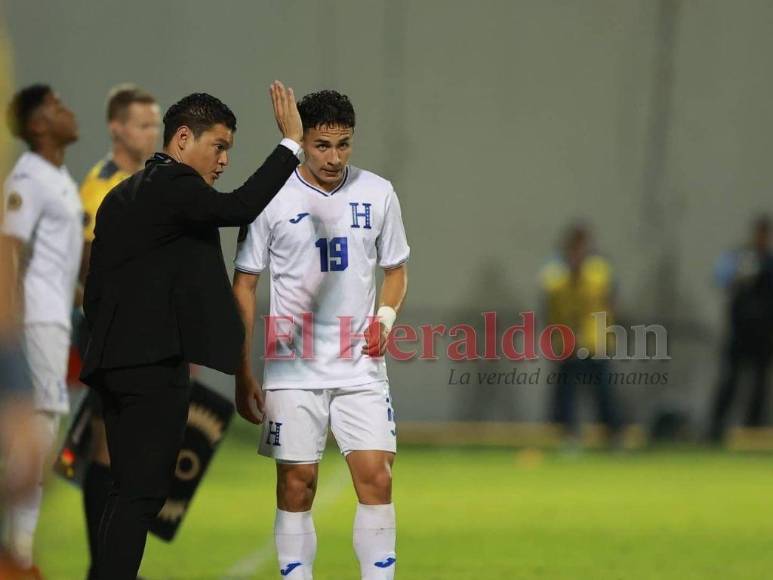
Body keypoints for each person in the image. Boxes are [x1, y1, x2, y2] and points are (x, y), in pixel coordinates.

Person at [80, 82, 303, 579]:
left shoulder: (121, 196)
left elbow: (94, 289)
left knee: (126, 489)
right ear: (182, 139)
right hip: (152, 368)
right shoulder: (175, 186)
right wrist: (290, 144)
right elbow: (239, 207)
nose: (223, 160)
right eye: (218, 146)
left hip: (114, 365)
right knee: (142, 493)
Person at [233, 90, 410, 580]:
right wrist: (241, 367)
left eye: (344, 145)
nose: (334, 158)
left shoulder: (378, 192)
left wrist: (386, 318)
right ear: (302, 141)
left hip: (360, 363)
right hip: (292, 363)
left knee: (377, 477)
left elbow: (396, 270)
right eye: (322, 146)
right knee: (297, 483)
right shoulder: (269, 196)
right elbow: (245, 284)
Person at [77, 83, 160, 580]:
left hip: (141, 332)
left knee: (128, 452)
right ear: (117, 127)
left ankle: (112, 564)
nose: (153, 133)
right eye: (143, 124)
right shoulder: (102, 185)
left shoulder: (146, 181)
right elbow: (90, 269)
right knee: (110, 450)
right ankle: (103, 567)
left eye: (155, 124)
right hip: (111, 333)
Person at [1, 84, 82, 576]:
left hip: (53, 318)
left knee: (42, 435)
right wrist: (12, 325)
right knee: (35, 438)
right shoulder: (28, 178)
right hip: (33, 323)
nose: (68, 111)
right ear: (36, 125)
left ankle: (19, 550)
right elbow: (10, 246)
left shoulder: (58, 178)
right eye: (57, 106)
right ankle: (19, 553)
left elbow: (54, 262)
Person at [539, 224, 621, 447]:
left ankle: (613, 437)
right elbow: (549, 312)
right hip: (567, 345)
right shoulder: (554, 278)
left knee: (604, 394)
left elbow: (612, 304)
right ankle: (569, 437)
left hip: (596, 343)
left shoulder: (600, 273)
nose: (577, 253)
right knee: (565, 396)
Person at [709, 215, 773, 443]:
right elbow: (719, 277)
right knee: (731, 382)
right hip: (739, 332)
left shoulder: (769, 262)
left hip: (764, 334)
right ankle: (715, 430)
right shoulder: (737, 257)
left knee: (759, 386)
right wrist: (739, 273)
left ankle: (753, 430)